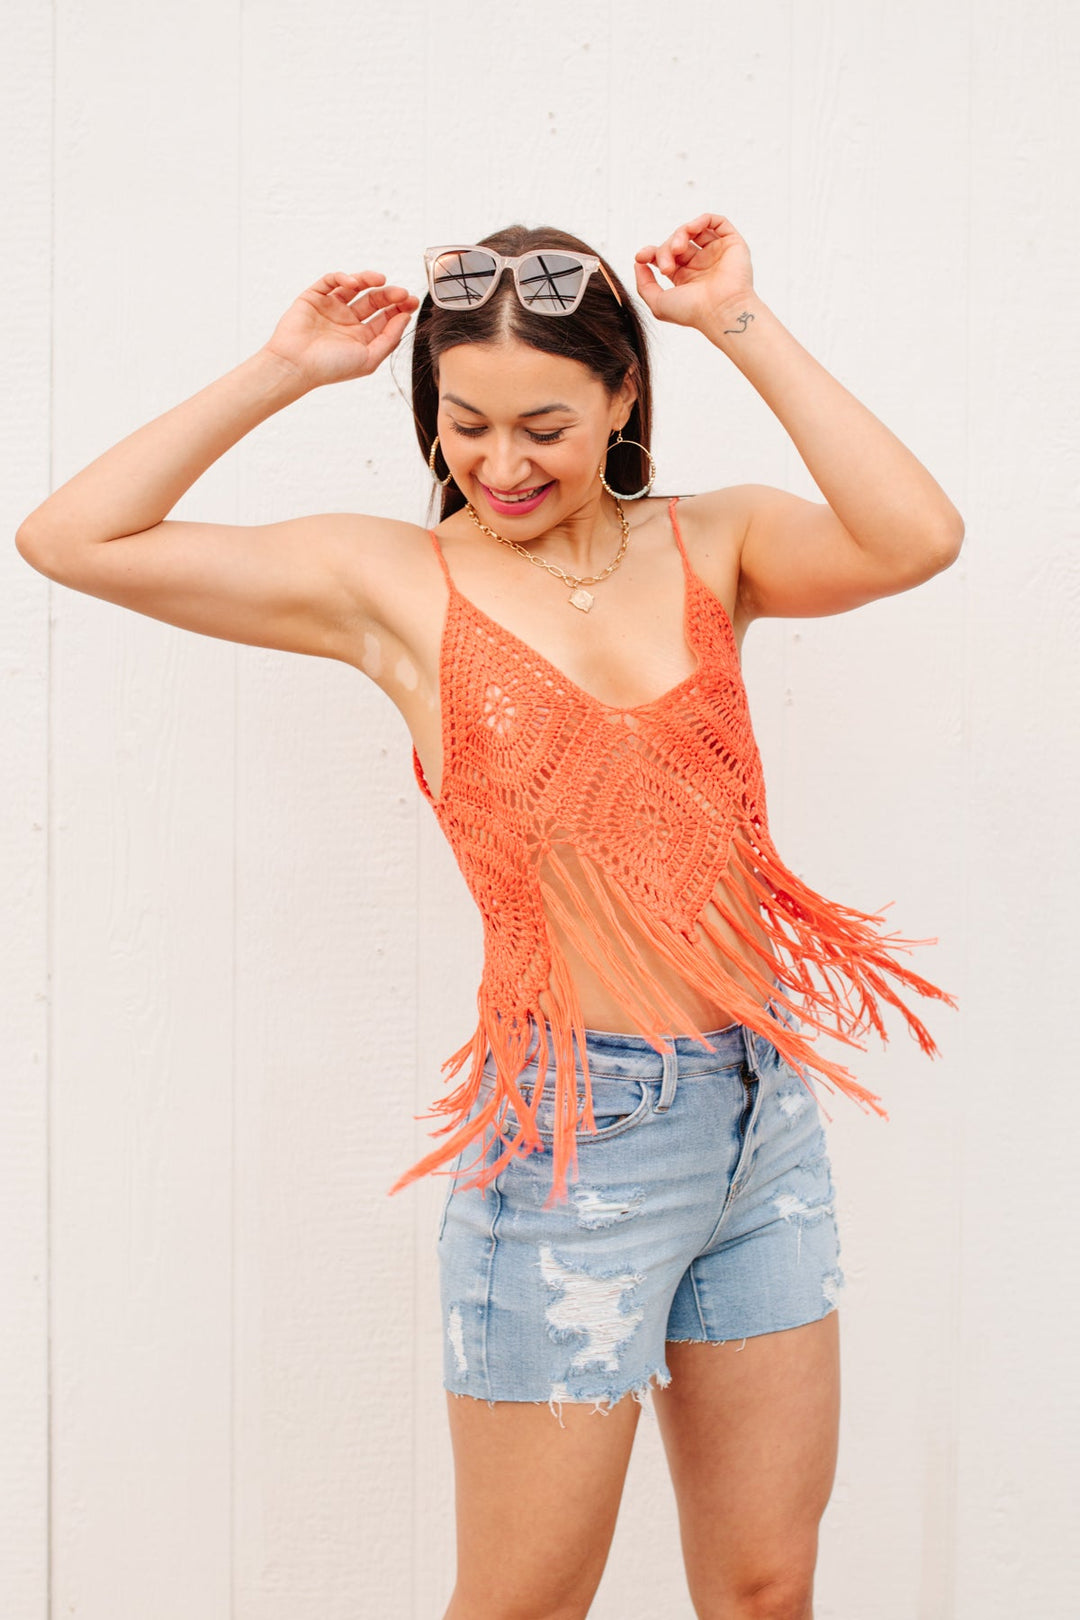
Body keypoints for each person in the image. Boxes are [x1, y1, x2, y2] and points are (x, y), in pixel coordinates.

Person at [15, 212, 962, 1619]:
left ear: (623, 398)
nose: (501, 466)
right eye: (465, 425)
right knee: (525, 1603)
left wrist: (738, 320)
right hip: (575, 1136)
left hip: (762, 1122)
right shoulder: (391, 585)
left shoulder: (717, 545)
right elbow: (68, 536)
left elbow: (919, 536)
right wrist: (281, 367)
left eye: (545, 427)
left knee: (767, 1588)